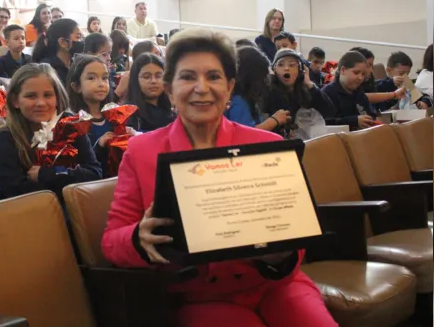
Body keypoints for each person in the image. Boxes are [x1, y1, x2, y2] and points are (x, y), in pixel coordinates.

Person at [102, 28, 337, 327]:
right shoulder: (141, 151)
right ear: (170, 89)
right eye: (188, 77)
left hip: (277, 286)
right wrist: (138, 238)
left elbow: (293, 231)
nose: (202, 88)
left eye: (213, 77)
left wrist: (282, 254)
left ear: (229, 88)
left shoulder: (267, 147)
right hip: (201, 297)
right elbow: (111, 241)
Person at [0, 63, 102, 202]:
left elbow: (95, 174)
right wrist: (69, 180)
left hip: (71, 206)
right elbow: (16, 191)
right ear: (15, 101)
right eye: (31, 96)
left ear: (57, 98)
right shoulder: (5, 137)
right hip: (23, 212)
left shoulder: (72, 125)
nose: (41, 103)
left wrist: (49, 174)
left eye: (48, 95)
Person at [67, 55, 130, 177]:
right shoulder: (73, 122)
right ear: (76, 86)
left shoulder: (114, 116)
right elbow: (81, 166)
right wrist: (100, 145)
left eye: (105, 78)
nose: (101, 84)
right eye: (91, 78)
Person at [264, 49, 335, 138]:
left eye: (292, 65)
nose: (286, 68)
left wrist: (310, 84)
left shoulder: (306, 91)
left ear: (300, 71)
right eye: (281, 64)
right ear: (274, 70)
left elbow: (329, 112)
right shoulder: (268, 92)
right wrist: (272, 80)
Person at [225, 46, 291, 131]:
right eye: (262, 76)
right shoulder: (238, 101)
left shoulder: (245, 98)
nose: (264, 81)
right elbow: (246, 134)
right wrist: (274, 120)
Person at [321, 51, 378, 130]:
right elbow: (324, 123)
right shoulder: (327, 94)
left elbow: (372, 116)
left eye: (363, 74)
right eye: (356, 73)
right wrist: (353, 121)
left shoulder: (360, 95)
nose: (360, 78)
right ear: (343, 70)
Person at [125, 53, 175, 132]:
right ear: (135, 80)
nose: (153, 81)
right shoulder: (128, 112)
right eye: (146, 77)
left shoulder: (172, 110)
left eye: (158, 76)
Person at [33, 18, 84, 85]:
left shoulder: (76, 65)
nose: (82, 42)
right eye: (78, 37)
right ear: (63, 42)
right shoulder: (47, 70)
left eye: (82, 37)